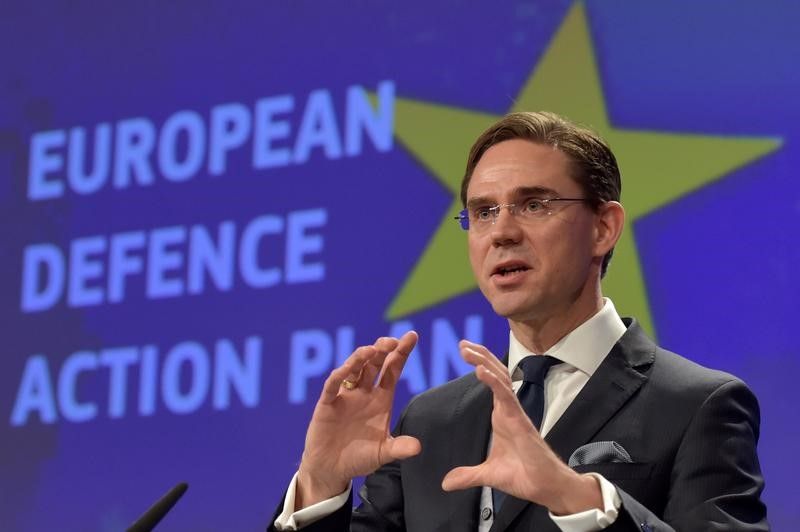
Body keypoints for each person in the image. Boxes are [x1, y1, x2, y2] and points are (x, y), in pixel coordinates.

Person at [269, 112, 767, 531]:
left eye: (534, 204)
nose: (502, 232)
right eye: (483, 212)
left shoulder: (699, 404)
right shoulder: (429, 422)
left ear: (603, 228)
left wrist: (580, 500)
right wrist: (320, 484)